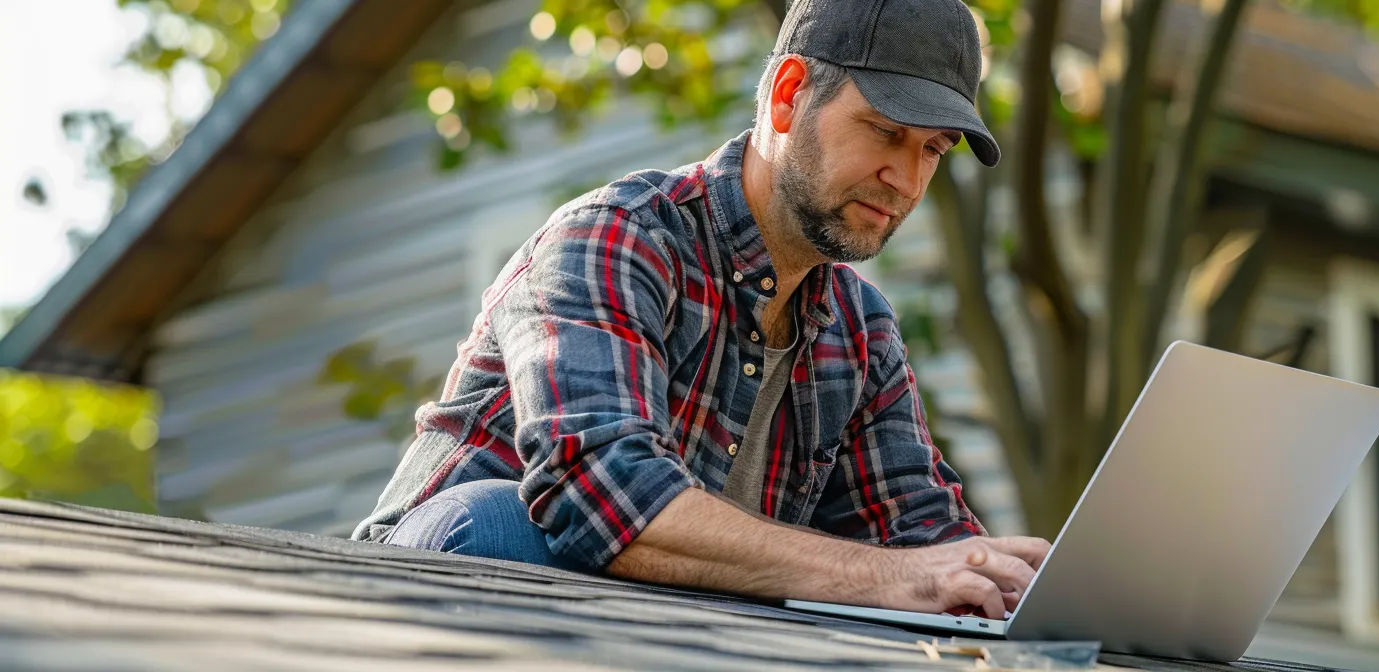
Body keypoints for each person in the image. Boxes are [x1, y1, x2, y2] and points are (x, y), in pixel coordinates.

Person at [352, 0, 1049, 619]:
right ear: (786, 97)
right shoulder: (615, 239)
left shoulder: (862, 332)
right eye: (885, 131)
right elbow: (600, 493)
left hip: (674, 634)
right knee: (497, 519)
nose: (906, 179)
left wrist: (1019, 582)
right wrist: (890, 577)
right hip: (420, 601)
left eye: (933, 150)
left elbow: (923, 540)